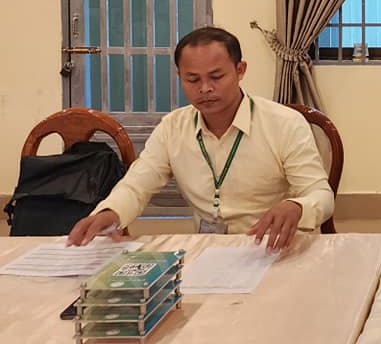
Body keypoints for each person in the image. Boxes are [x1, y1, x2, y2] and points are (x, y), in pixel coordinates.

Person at [67, 26, 334, 252]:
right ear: (180, 77)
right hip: (209, 251)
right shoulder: (173, 127)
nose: (205, 88)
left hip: (274, 248)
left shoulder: (284, 123)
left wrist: (297, 206)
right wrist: (110, 212)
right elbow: (138, 185)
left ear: (240, 70)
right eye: (192, 79)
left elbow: (321, 195)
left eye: (217, 77)